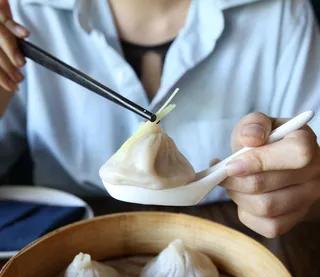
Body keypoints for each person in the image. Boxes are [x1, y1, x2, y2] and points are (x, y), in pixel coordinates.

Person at [0, 0, 319, 238]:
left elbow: (310, 165)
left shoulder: (281, 12)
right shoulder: (21, 12)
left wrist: (301, 190)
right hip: (64, 241)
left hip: (239, 239)